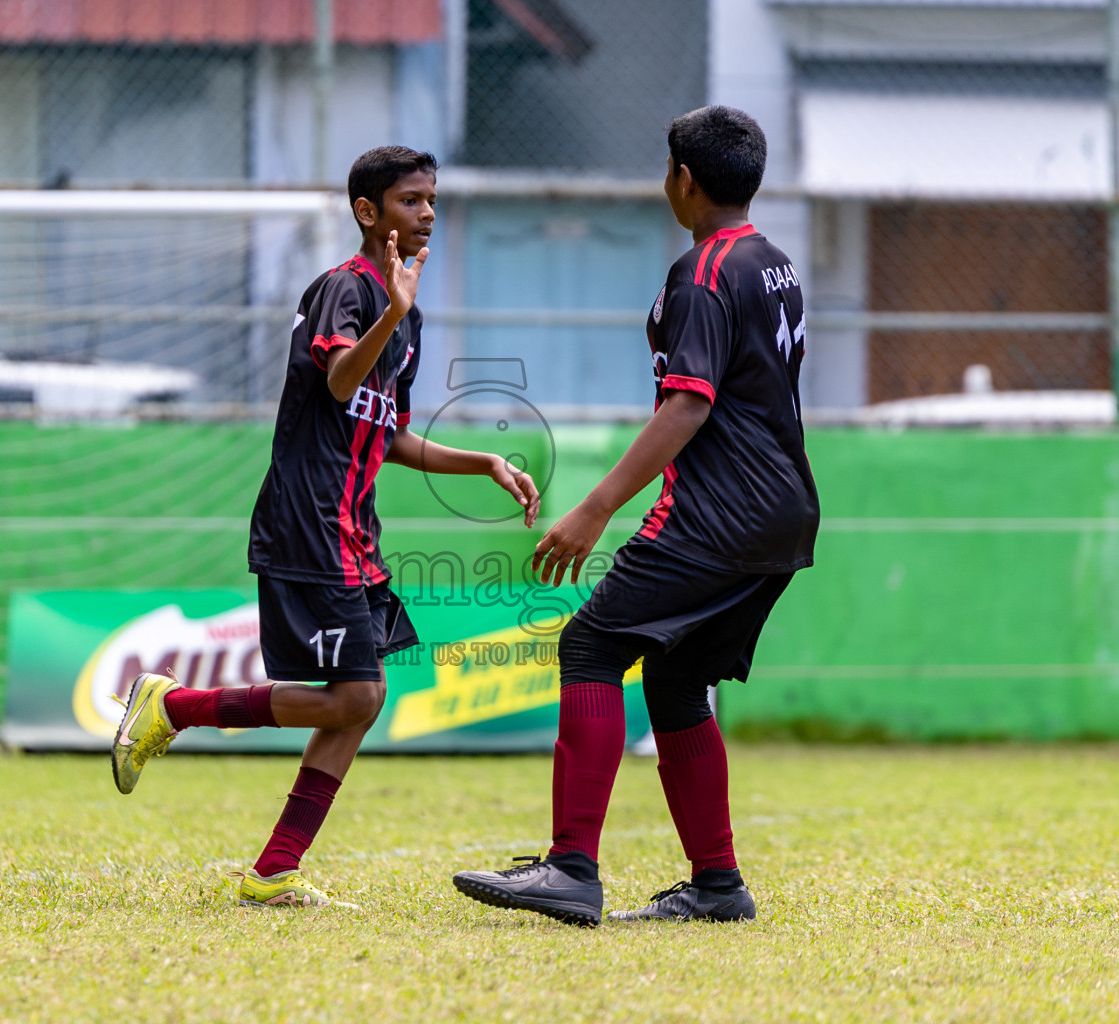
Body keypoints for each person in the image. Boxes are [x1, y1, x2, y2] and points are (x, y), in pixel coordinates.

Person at [109, 145, 540, 908]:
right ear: (369, 212)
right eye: (411, 200)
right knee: (355, 698)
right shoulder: (347, 290)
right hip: (309, 524)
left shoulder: (405, 315)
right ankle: (173, 708)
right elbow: (342, 379)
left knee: (360, 701)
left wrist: (484, 463)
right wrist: (395, 313)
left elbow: (387, 434)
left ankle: (273, 870)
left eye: (432, 198)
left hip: (353, 530)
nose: (428, 212)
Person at [452, 106, 818, 926]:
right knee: (676, 675)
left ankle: (570, 868)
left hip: (721, 514)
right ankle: (718, 886)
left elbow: (688, 406)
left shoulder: (706, 272)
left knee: (590, 643)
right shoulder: (774, 262)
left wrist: (591, 510)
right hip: (785, 512)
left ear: (683, 180)